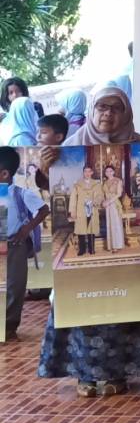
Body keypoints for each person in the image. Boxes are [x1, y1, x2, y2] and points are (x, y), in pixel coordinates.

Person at [39, 92, 140, 397]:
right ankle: (84, 376)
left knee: (121, 304)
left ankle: (118, 374)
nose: (108, 114)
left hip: (125, 242)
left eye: (116, 108)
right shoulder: (69, 148)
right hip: (81, 241)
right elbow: (53, 189)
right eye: (102, 107)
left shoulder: (138, 144)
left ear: (126, 113)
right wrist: (44, 170)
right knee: (83, 303)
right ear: (91, 110)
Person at [2, 145, 48, 339]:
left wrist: (26, 228)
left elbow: (44, 210)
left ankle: (10, 326)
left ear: (4, 173)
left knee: (15, 285)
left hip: (15, 245)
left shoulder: (20, 193)